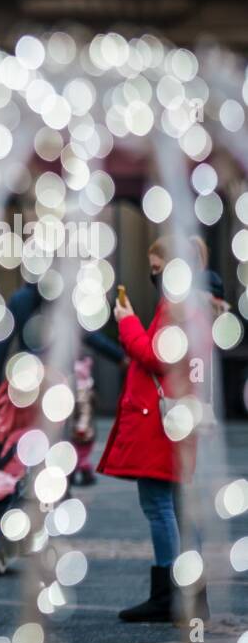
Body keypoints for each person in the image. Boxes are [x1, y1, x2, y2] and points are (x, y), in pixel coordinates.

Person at [98, 235, 215, 622]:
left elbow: (154, 355)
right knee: (178, 504)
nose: (154, 276)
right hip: (179, 416)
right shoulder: (195, 304)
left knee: (159, 503)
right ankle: (192, 594)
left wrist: (126, 321)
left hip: (160, 420)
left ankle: (168, 594)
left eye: (156, 269)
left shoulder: (178, 307)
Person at [0, 279, 125, 485]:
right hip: (60, 378)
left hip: (29, 377)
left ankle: (26, 479)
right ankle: (56, 485)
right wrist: (119, 357)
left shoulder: (20, 298)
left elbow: (3, 339)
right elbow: (89, 335)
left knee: (26, 431)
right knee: (58, 436)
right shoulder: (64, 298)